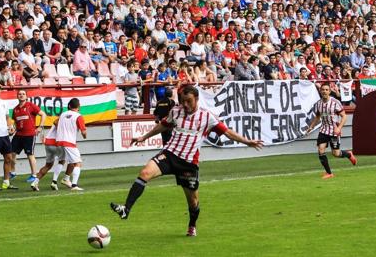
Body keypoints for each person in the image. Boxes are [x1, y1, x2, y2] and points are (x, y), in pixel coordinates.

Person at [110, 85, 264, 237]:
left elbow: (228, 132)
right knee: (145, 172)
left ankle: (192, 225)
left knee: (193, 202)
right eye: (183, 101)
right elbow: (163, 126)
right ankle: (126, 209)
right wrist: (144, 137)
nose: (185, 104)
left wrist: (247, 142)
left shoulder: (206, 117)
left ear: (196, 99)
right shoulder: (176, 111)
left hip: (188, 163)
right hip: (169, 155)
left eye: (189, 101)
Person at [306, 84, 357, 179]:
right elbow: (317, 116)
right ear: (320, 91)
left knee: (336, 153)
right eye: (323, 90)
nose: (324, 91)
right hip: (324, 129)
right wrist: (311, 126)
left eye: (326, 90)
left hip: (334, 131)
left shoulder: (335, 102)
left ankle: (349, 154)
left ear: (329, 91)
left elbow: (344, 116)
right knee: (321, 150)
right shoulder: (318, 104)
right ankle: (329, 173)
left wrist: (339, 128)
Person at [10, 89, 46, 182]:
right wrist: (12, 129)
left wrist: (40, 127)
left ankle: (34, 175)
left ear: (26, 96)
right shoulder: (15, 109)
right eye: (19, 94)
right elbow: (15, 122)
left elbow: (43, 114)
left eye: (23, 94)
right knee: (11, 153)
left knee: (30, 154)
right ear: (17, 96)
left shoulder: (31, 106)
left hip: (29, 134)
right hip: (18, 135)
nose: (21, 95)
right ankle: (12, 172)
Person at [54, 98, 87, 191]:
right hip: (69, 142)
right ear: (79, 107)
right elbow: (83, 132)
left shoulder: (62, 115)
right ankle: (74, 185)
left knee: (64, 161)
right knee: (78, 163)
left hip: (59, 141)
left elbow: (55, 123)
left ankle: (59, 180)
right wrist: (85, 136)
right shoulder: (78, 116)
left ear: (69, 106)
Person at [30, 125, 66, 192]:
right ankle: (54, 182)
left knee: (48, 165)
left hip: (48, 143)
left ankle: (35, 182)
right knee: (62, 161)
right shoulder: (64, 118)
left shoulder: (64, 117)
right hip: (57, 142)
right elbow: (56, 122)